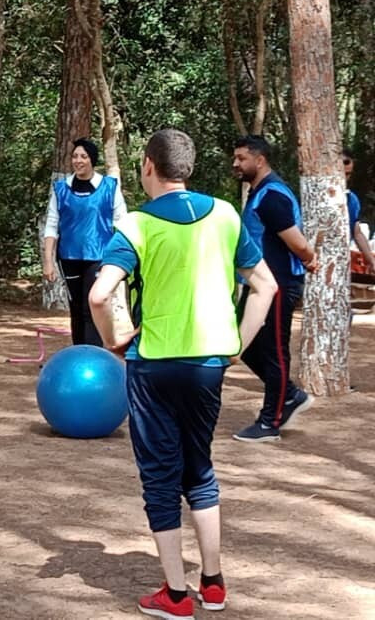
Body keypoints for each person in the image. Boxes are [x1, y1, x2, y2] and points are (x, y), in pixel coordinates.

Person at [89, 128, 277, 619]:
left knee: (159, 476)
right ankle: (212, 583)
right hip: (209, 364)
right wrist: (237, 343)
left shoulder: (137, 224)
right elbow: (265, 286)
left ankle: (175, 595)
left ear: (149, 165)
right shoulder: (225, 215)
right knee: (200, 468)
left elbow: (98, 293)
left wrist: (113, 339)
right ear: (187, 168)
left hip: (153, 365)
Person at [231, 135, 317, 442]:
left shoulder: (271, 196)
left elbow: (296, 240)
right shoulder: (259, 193)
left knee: (276, 352)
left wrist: (309, 258)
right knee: (244, 345)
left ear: (260, 159)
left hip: (277, 284)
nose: (236, 164)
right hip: (258, 285)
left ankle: (270, 422)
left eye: (241, 158)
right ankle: (290, 395)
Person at [43, 138, 127, 346]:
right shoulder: (61, 189)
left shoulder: (108, 187)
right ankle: (79, 354)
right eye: (75, 156)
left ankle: (95, 354)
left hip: (98, 257)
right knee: (76, 308)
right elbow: (52, 225)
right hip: (69, 257)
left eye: (83, 156)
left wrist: (122, 258)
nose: (78, 161)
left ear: (92, 160)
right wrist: (48, 261)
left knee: (93, 305)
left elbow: (122, 223)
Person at [343, 149, 375, 273]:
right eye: (341, 173)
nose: (344, 179)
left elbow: (357, 233)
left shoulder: (352, 200)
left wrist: (371, 261)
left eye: (348, 174)